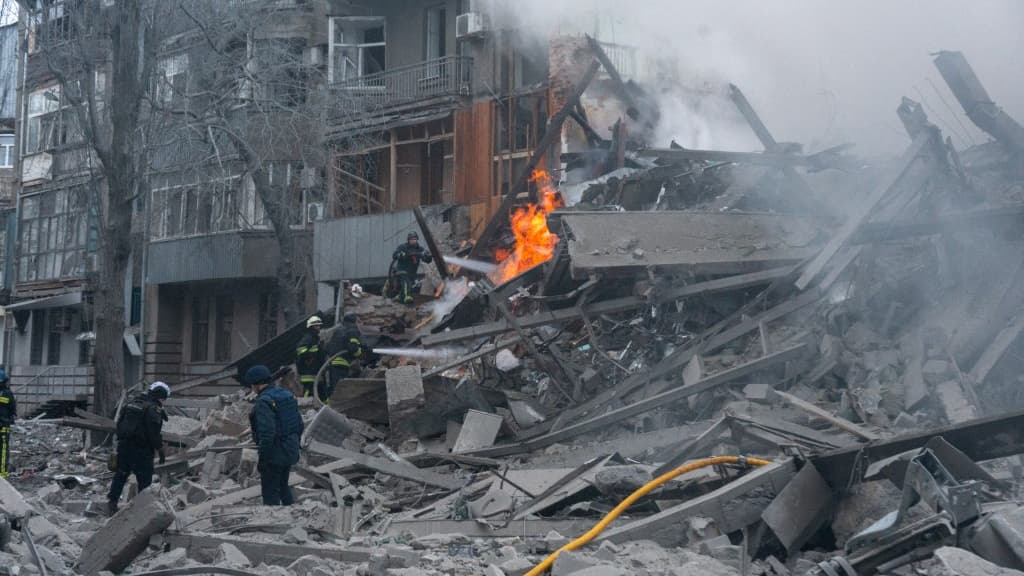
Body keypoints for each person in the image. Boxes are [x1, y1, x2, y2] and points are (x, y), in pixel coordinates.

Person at [242, 365, 304, 506]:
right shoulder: (287, 395)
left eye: (252, 385)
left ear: (256, 385)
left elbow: (267, 434)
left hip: (275, 454)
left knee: (270, 493)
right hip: (290, 450)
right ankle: (293, 517)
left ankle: (273, 521)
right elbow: (299, 425)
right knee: (283, 487)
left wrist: (263, 460)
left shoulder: (264, 402)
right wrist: (294, 444)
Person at [108, 381, 169, 515]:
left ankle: (112, 504)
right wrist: (160, 450)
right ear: (161, 396)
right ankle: (142, 510)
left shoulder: (131, 404)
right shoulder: (153, 409)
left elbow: (118, 424)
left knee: (121, 475)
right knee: (144, 479)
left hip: (124, 446)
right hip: (142, 450)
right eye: (164, 399)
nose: (164, 402)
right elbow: (153, 433)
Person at [322, 313, 363, 402]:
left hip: (333, 362)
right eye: (359, 321)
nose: (360, 324)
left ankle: (330, 407)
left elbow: (327, 347)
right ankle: (335, 409)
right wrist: (360, 354)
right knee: (340, 390)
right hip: (341, 363)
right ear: (354, 321)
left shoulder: (339, 330)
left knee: (334, 388)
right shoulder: (352, 330)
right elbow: (353, 348)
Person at [392, 231, 432, 304]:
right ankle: (407, 297)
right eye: (411, 239)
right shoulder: (403, 247)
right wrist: (401, 255)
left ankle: (400, 299)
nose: (413, 240)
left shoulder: (420, 249)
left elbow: (427, 260)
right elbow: (394, 255)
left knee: (412, 286)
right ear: (408, 240)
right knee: (406, 282)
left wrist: (428, 256)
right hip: (402, 271)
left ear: (417, 240)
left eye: (415, 239)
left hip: (412, 273)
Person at [295, 316, 326, 398]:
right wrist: (311, 355)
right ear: (311, 327)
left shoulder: (316, 339)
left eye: (319, 326)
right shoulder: (308, 338)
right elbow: (300, 349)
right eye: (316, 326)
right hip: (309, 373)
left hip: (316, 373)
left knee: (322, 395)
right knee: (309, 394)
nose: (318, 328)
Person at [0, 369, 16, 479]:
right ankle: (2, 473)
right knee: (3, 451)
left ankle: (3, 473)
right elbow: (12, 410)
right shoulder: (7, 393)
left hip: (3, 425)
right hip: (4, 426)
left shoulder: (7, 393)